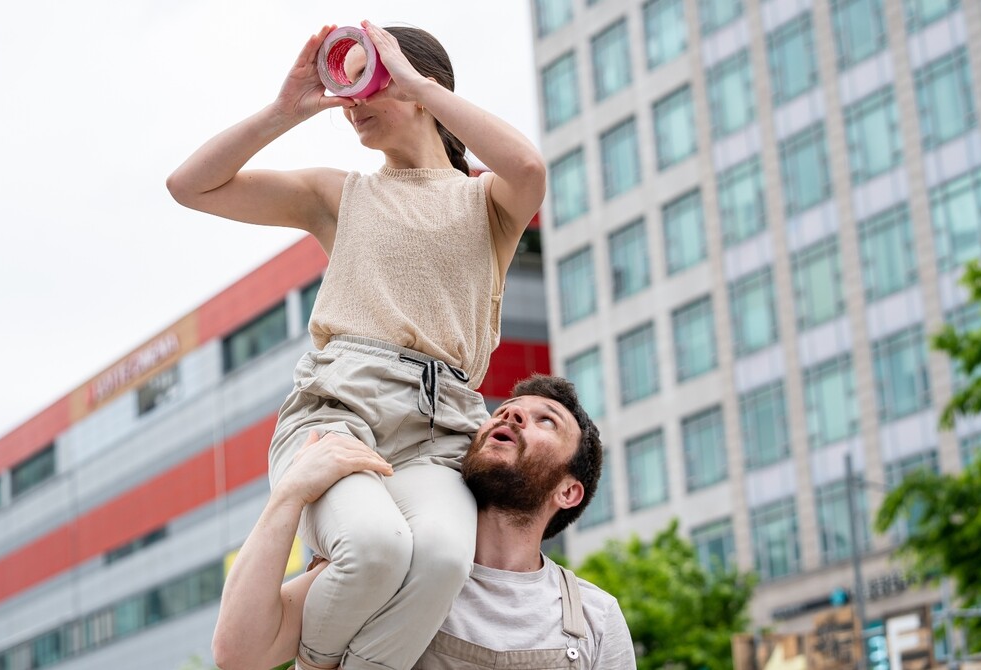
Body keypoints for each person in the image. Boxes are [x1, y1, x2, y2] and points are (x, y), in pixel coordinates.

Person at [167, 21, 547, 670]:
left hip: (440, 430)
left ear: (423, 89)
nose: (352, 105)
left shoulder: (487, 202)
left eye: (370, 83)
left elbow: (529, 166)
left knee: (441, 558)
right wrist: (284, 111)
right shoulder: (339, 195)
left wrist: (410, 78)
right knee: (373, 548)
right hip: (339, 410)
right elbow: (189, 186)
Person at [212, 375, 637, 669]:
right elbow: (238, 651)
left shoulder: (593, 618)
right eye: (504, 410)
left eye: (547, 420)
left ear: (569, 492)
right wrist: (290, 494)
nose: (510, 416)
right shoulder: (396, 563)